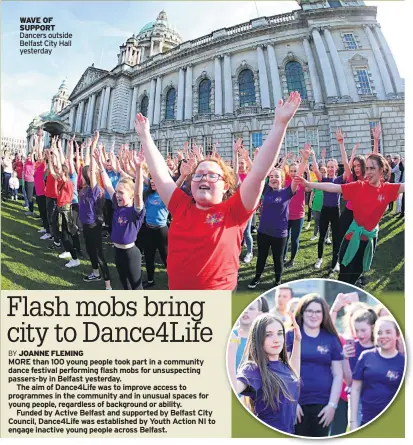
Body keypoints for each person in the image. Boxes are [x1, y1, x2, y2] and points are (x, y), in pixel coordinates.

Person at [134, 92, 302, 290]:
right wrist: (145, 136)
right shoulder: (181, 205)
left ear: (225, 186)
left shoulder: (235, 211)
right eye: (199, 174)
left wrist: (280, 125)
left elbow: (258, 173)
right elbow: (160, 174)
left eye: (212, 175)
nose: (204, 177)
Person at [295, 153, 404, 285]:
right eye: (367, 168)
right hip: (352, 240)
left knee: (356, 276)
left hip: (368, 242)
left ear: (381, 170)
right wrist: (309, 183)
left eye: (372, 168)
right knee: (344, 278)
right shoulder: (359, 186)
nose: (368, 172)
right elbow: (333, 187)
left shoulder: (387, 189)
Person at [234, 313, 301, 434]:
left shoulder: (284, 367)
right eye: (268, 335)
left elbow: (294, 376)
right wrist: (231, 351)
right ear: (258, 339)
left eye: (280, 333)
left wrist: (297, 341)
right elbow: (232, 390)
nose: (276, 339)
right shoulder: (253, 369)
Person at [286, 293, 343, 437]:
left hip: (323, 406)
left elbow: (338, 375)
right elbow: (283, 371)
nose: (314, 315)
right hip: (296, 404)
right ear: (302, 312)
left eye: (318, 311)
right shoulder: (290, 336)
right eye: (309, 311)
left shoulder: (331, 338)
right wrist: (291, 402)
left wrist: (332, 405)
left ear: (324, 314)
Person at [94, 147, 146, 290]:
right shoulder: (117, 205)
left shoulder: (135, 211)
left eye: (121, 192)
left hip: (131, 254)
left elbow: (138, 194)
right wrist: (100, 164)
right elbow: (108, 185)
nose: (117, 195)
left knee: (136, 288)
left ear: (130, 195)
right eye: (117, 192)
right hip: (118, 252)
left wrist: (139, 168)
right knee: (125, 285)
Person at [350, 317, 405, 430]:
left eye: (388, 332)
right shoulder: (366, 357)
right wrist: (353, 421)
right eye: (379, 333)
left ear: (398, 335)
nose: (383, 336)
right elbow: (355, 389)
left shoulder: (404, 362)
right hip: (366, 420)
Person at [248, 167, 298, 288]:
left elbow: (297, 178)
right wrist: (249, 157)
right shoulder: (267, 190)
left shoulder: (287, 192)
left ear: (282, 179)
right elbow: (258, 173)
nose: (273, 178)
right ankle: (257, 277)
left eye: (276, 176)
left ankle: (277, 281)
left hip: (279, 234)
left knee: (278, 258)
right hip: (263, 232)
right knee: (261, 257)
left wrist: (305, 160)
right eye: (271, 176)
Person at [78, 132, 112, 290]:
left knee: (99, 254)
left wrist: (94, 143)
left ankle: (108, 285)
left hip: (93, 225)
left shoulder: (94, 189)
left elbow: (91, 170)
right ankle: (95, 273)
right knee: (91, 251)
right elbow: (85, 167)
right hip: (85, 225)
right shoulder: (84, 188)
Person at [228, 297, 269, 388]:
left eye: (251, 308)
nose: (246, 311)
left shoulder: (265, 340)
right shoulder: (227, 336)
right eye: (244, 307)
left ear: (260, 314)